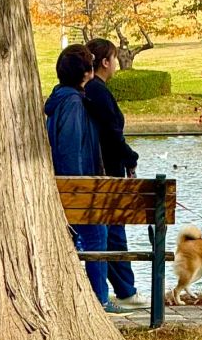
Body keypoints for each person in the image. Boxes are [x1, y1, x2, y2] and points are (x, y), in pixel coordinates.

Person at [44, 44, 132, 314]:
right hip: (77, 187)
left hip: (76, 184)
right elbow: (70, 148)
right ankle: (99, 300)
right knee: (97, 235)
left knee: (92, 236)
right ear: (87, 73)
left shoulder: (64, 98)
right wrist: (79, 185)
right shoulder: (72, 103)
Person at [84, 38, 147, 310]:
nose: (116, 64)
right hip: (108, 172)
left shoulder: (91, 91)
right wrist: (130, 157)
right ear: (105, 62)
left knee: (110, 232)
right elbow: (112, 133)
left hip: (102, 171)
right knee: (114, 232)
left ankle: (122, 288)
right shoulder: (98, 92)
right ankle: (125, 290)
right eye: (113, 58)